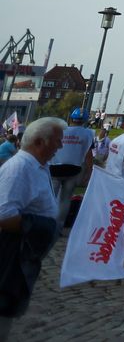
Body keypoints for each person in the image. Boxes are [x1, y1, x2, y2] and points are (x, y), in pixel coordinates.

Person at [0, 117, 63, 337]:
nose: (61, 146)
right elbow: (4, 216)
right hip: (12, 250)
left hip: (25, 250)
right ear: (39, 142)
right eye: (57, 141)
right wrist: (39, 227)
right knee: (3, 303)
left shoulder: (39, 166)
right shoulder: (19, 168)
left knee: (9, 305)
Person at [47, 107, 95, 229]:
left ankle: (47, 223)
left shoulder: (61, 130)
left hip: (55, 168)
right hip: (73, 169)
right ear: (84, 120)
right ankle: (59, 226)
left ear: (71, 118)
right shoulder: (88, 134)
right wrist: (89, 172)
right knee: (65, 199)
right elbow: (89, 156)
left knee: (51, 197)